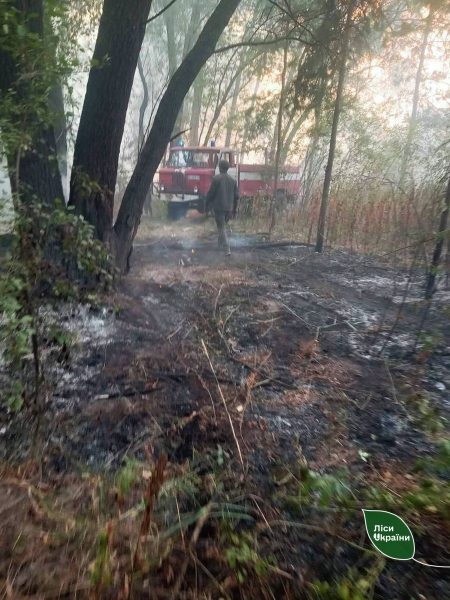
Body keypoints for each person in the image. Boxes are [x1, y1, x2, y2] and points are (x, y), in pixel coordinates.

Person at [206, 160, 239, 256]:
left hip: (219, 207)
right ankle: (219, 245)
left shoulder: (216, 179)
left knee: (221, 227)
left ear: (220, 167)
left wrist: (207, 205)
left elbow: (211, 194)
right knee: (222, 226)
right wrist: (234, 209)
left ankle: (227, 248)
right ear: (227, 168)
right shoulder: (233, 180)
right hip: (229, 208)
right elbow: (237, 197)